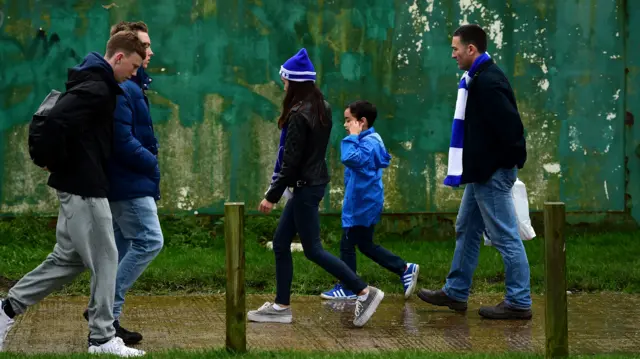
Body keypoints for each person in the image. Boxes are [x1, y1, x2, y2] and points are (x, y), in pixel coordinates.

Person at [0, 31, 147, 356]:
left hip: (79, 185)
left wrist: (58, 164)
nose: (135, 73)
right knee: (107, 258)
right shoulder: (97, 87)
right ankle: (102, 338)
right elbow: (56, 121)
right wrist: (51, 160)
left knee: (67, 260)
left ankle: (6, 310)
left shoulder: (96, 82)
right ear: (119, 58)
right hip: (84, 187)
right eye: (134, 66)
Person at [248, 48, 384, 327]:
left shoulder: (299, 114)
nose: (283, 86)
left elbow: (291, 161)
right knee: (282, 242)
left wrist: (271, 196)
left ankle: (364, 291)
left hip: (305, 186)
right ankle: (281, 306)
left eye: (285, 81)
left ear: (295, 82)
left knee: (313, 249)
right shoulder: (322, 105)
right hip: (311, 184)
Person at [416, 24, 532, 320]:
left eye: (456, 49)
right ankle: (455, 292)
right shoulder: (476, 78)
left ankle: (519, 301)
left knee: (505, 235)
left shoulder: (488, 82)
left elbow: (511, 129)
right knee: (466, 227)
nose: (452, 54)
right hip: (481, 172)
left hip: (490, 173)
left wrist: (505, 164)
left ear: (471, 49)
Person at [80, 20, 160, 346]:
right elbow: (122, 140)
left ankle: (106, 319)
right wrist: (152, 162)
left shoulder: (133, 84)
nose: (149, 51)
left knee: (116, 250)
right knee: (150, 241)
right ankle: (106, 312)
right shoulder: (125, 87)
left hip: (125, 182)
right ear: (124, 52)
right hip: (128, 182)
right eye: (143, 46)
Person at [320, 100, 419, 301]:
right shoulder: (367, 140)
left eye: (349, 120)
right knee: (365, 244)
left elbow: (349, 158)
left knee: (348, 244)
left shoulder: (369, 142)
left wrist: (353, 137)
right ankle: (404, 268)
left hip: (362, 204)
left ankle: (349, 286)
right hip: (362, 201)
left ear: (361, 122)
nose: (345, 125)